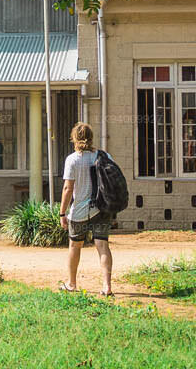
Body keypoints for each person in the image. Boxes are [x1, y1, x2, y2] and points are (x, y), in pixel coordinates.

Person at [58, 122, 113, 296]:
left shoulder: (73, 159)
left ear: (74, 138)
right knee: (102, 245)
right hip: (101, 209)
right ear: (91, 137)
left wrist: (62, 212)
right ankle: (107, 286)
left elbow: (68, 188)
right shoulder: (104, 156)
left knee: (75, 245)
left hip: (79, 211)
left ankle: (72, 283)